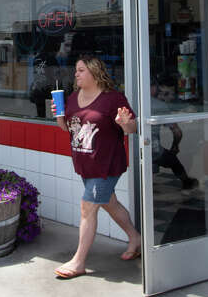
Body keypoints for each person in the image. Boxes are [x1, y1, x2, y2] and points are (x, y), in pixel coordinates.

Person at [51, 54, 142, 279]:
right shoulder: (73, 97)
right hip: (85, 164)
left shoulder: (113, 99)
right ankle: (136, 238)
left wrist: (125, 123)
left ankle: (78, 261)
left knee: (87, 207)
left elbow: (132, 129)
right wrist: (58, 116)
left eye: (81, 70)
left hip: (106, 165)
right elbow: (67, 128)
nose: (76, 74)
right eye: (76, 70)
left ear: (95, 72)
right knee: (109, 203)